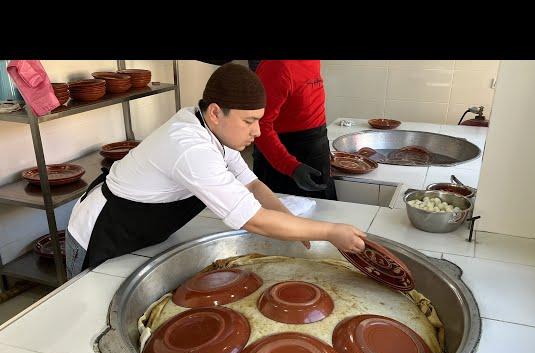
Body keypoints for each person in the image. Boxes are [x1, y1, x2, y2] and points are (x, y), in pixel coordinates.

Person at [65, 63, 365, 278]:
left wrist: (291, 223)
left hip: (141, 231)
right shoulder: (191, 148)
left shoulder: (210, 129)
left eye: (259, 120)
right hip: (103, 233)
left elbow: (252, 186)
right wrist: (329, 231)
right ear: (215, 113)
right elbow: (253, 220)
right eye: (249, 121)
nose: (258, 132)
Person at [252, 60, 336, 200]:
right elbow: (260, 125)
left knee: (325, 216)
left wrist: (322, 149)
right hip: (285, 168)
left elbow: (308, 112)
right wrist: (291, 167)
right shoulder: (277, 65)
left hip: (315, 159)